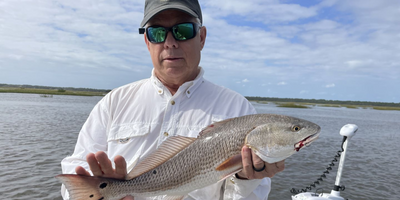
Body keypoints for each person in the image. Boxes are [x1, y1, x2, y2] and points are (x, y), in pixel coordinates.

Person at [60, 0, 285, 199]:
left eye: (183, 30)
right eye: (157, 33)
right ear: (147, 42)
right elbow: (75, 178)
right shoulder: (114, 102)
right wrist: (102, 192)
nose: (170, 42)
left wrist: (246, 179)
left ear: (202, 37)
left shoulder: (238, 108)